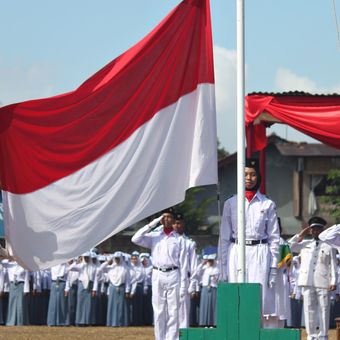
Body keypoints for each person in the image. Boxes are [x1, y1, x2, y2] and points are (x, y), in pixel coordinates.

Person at [218, 158, 280, 328]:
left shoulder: (267, 204)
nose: (249, 178)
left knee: (258, 297)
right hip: (236, 250)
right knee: (236, 296)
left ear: (258, 177)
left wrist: (273, 268)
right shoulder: (230, 203)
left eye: (253, 174)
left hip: (260, 251)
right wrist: (222, 267)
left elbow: (274, 238)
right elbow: (223, 237)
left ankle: (255, 332)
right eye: (245, 174)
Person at [131, 208, 187, 340]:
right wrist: (153, 223)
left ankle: (172, 338)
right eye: (164, 217)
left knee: (174, 310)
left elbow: (184, 264)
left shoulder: (179, 239)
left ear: (174, 220)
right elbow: (135, 238)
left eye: (169, 217)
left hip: (174, 273)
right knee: (159, 310)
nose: (166, 219)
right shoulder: (154, 236)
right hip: (158, 274)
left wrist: (184, 285)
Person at [289, 216, 337, 340]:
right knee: (309, 309)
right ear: (310, 231)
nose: (316, 231)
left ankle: (324, 334)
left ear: (323, 230)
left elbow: (333, 265)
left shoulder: (329, 246)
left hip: (323, 281)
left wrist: (333, 281)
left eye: (319, 229)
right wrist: (301, 234)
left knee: (324, 309)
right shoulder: (304, 244)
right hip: (307, 280)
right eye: (313, 229)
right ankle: (311, 335)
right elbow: (290, 247)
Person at [172, 213, 198, 329]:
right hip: (170, 277)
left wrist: (193, 285)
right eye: (174, 223)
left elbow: (194, 265)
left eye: (179, 223)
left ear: (183, 224)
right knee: (171, 310)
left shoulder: (189, 243)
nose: (176, 226)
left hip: (184, 279)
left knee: (183, 311)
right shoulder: (167, 240)